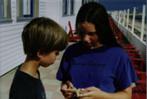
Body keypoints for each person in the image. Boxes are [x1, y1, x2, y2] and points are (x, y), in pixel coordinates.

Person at [56, 2, 138, 99]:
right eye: (81, 33)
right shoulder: (71, 52)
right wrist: (65, 87)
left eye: (91, 34)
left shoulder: (118, 55)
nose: (85, 39)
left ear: (102, 30)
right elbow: (65, 80)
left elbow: (127, 95)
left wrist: (102, 96)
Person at [9, 17, 67, 99]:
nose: (57, 56)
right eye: (56, 53)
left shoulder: (33, 73)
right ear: (41, 53)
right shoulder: (23, 90)